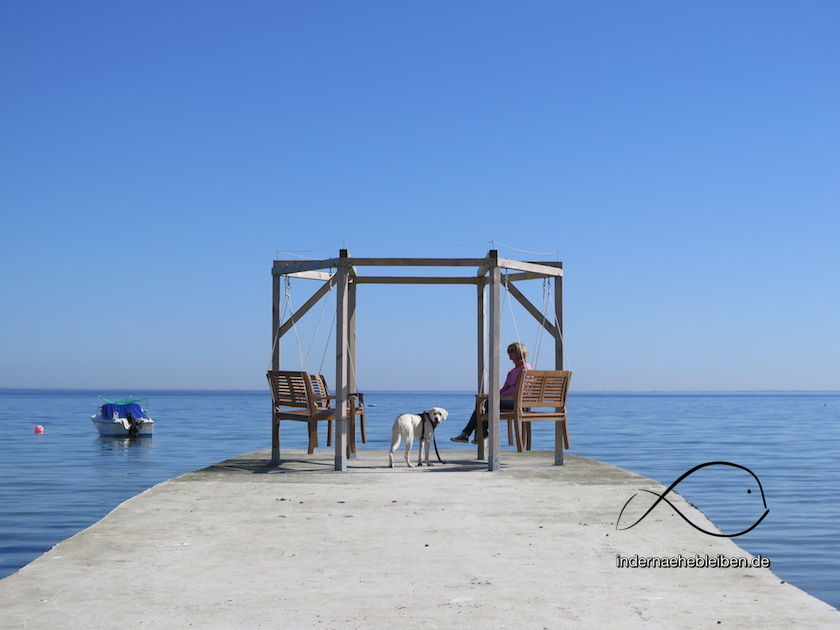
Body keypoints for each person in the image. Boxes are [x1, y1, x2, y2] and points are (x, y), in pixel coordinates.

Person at [450, 342, 532, 443]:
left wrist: (499, 397)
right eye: (508, 351)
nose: (509, 353)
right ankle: (474, 433)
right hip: (508, 400)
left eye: (511, 351)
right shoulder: (511, 372)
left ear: (519, 352)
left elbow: (521, 389)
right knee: (482, 403)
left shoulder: (525, 368)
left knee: (489, 404)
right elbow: (504, 389)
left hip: (518, 402)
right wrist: (493, 395)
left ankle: (471, 433)